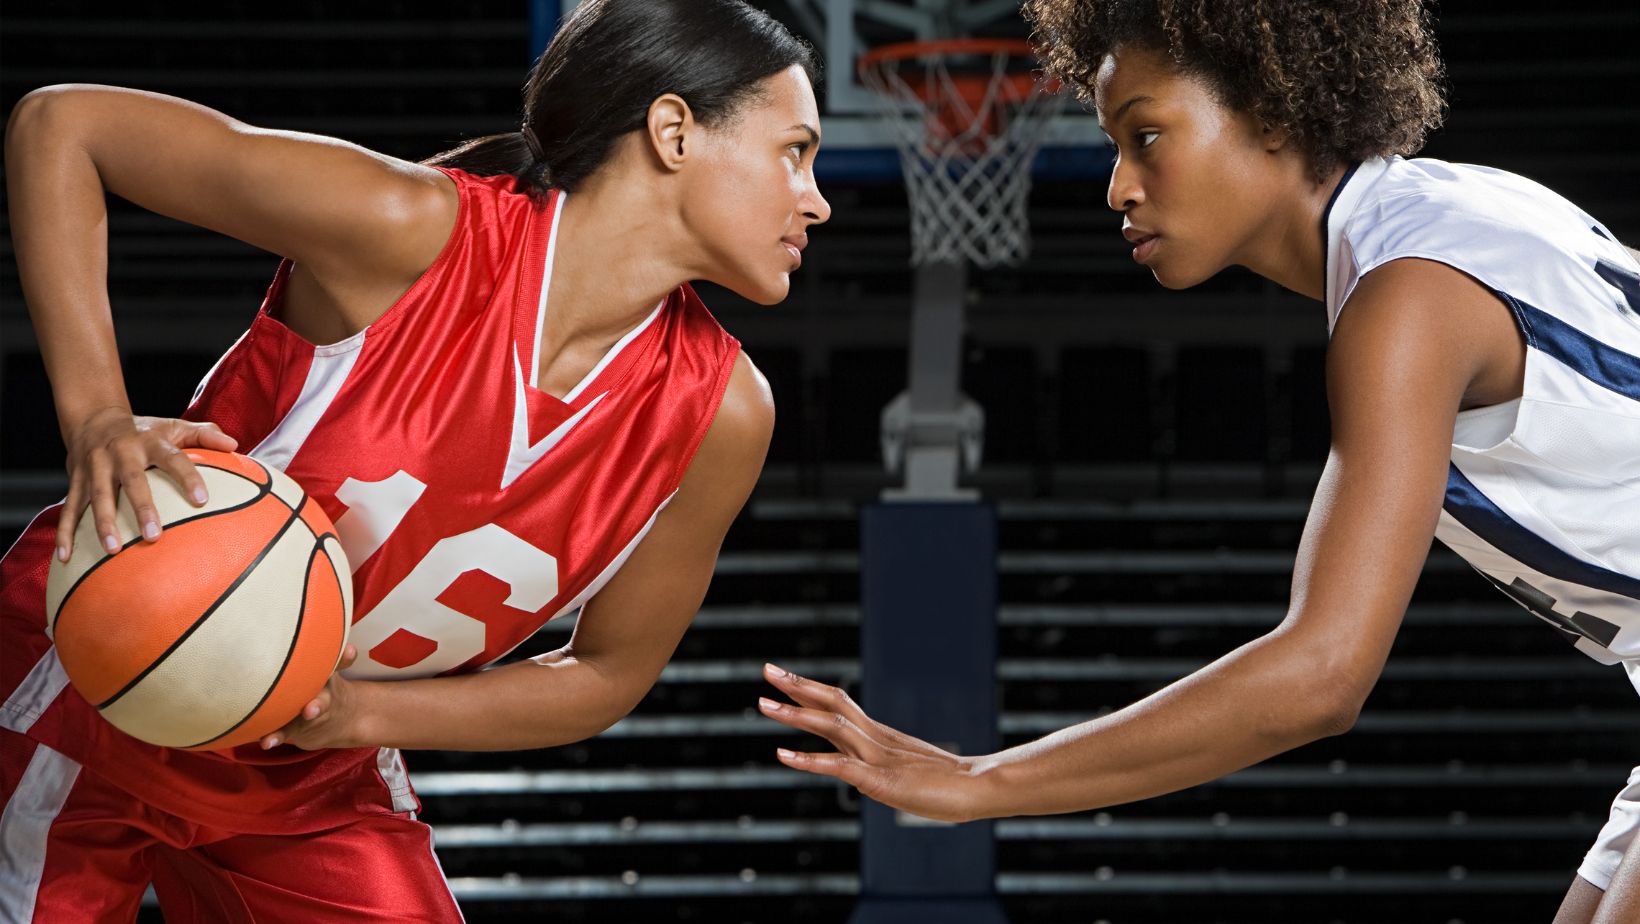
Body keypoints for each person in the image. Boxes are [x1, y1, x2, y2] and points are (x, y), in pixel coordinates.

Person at [757, 1, 1639, 921]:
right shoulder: (1452, 215)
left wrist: (978, 782)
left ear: (1271, 109)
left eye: (1145, 136)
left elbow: (1322, 675)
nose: (1118, 187)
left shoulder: (1406, 296)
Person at [0, 0, 829, 919]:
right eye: (794, 150)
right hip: (96, 677)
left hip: (304, 772)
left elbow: (607, 674)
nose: (816, 197)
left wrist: (362, 717)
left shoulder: (724, 412)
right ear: (673, 131)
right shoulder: (412, 231)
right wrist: (97, 416)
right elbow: (64, 126)